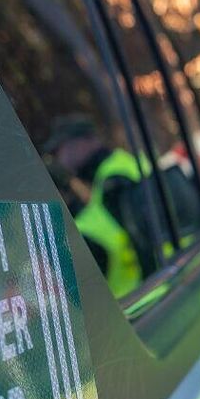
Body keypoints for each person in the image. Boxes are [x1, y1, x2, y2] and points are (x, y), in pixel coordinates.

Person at [44, 116, 158, 297]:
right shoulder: (123, 163)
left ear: (82, 142)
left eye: (60, 150)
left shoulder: (114, 181)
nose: (61, 160)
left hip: (146, 296)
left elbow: (144, 245)